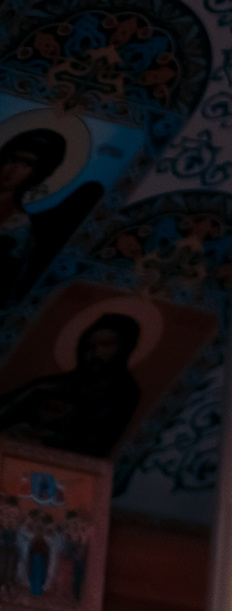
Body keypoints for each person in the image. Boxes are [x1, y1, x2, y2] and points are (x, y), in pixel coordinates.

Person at [0, 310, 144, 457]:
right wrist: (32, 392)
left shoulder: (124, 391)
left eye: (106, 345)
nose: (96, 354)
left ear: (124, 348)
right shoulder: (54, 383)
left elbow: (97, 443)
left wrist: (46, 436)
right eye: (89, 347)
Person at [0, 124, 105, 307]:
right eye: (12, 159)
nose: (13, 169)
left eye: (26, 164)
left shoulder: (23, 227)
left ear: (39, 173)